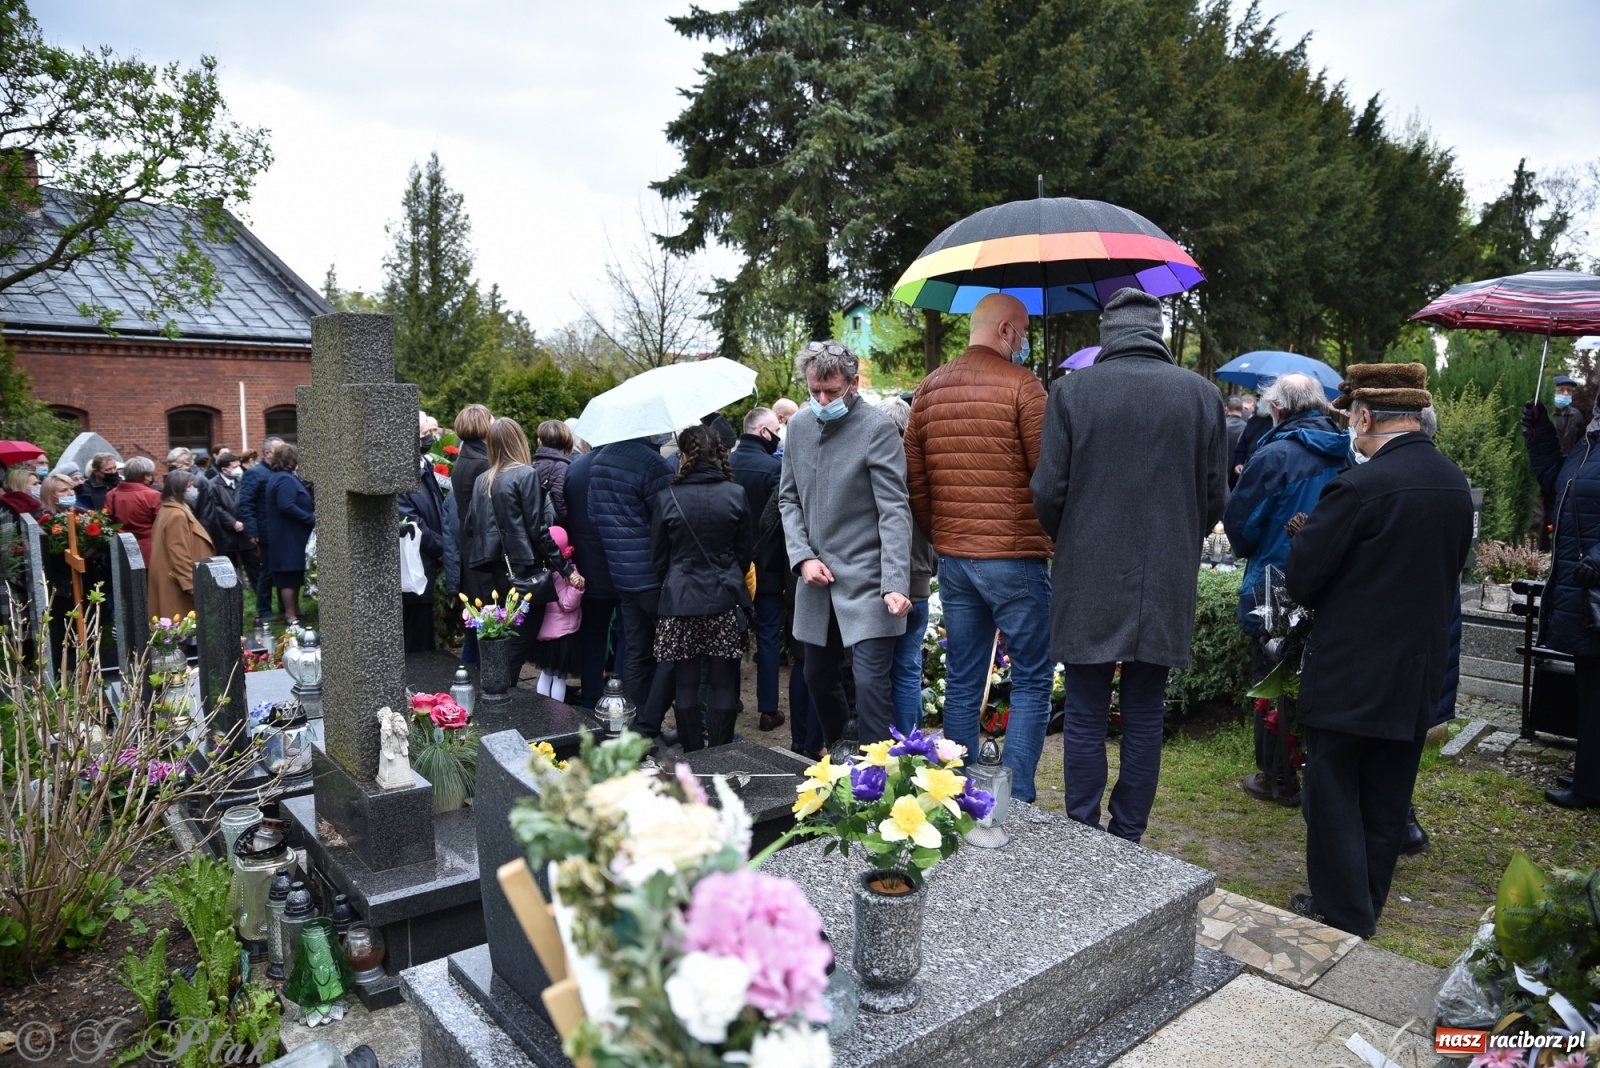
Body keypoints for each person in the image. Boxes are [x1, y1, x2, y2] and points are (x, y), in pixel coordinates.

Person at [1031, 288, 1228, 843]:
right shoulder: (1202, 396)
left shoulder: (1071, 393)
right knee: (1145, 711)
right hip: (1165, 572)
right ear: (1158, 331)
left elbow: (1047, 490)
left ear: (1106, 333)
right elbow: (1216, 497)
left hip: (1088, 569)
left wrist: (1070, 534)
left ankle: (1082, 830)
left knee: (1087, 709)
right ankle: (1128, 833)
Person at [1285, 363, 1472, 935]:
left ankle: (1344, 911)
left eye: (1353, 420)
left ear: (1364, 416)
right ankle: (1365, 897)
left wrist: (1306, 536)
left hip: (1351, 665)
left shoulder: (1358, 486)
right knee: (1388, 792)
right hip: (1417, 663)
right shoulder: (1452, 483)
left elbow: (1303, 578)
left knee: (1335, 785)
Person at [905, 292, 1054, 796]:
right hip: (1015, 557)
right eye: (1024, 331)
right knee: (1032, 677)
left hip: (955, 558)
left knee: (965, 681)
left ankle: (956, 792)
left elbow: (916, 483)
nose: (1025, 341)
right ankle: (1016, 797)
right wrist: (1051, 537)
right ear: (1007, 331)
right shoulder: (1024, 386)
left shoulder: (928, 390)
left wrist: (944, 535)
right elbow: (1048, 478)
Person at [1222, 373, 1349, 805]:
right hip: (1334, 582)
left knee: (1271, 678)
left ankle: (1277, 777)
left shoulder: (1274, 455)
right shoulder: (1347, 449)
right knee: (1321, 677)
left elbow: (1240, 526)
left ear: (1276, 409)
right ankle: (1320, 773)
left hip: (1276, 582)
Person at [779, 340, 912, 747]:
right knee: (815, 676)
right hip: (815, 580)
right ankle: (841, 757)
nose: (821, 400)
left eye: (831, 392)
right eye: (813, 391)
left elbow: (894, 510)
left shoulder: (877, 429)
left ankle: (877, 782)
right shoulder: (799, 427)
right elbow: (788, 499)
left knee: (871, 686)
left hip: (869, 579)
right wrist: (801, 558)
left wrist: (895, 582)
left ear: (853, 384)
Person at [652, 424, 754, 751]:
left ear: (683, 455)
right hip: (724, 598)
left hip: (680, 600)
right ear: (717, 453)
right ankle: (720, 754)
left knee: (685, 681)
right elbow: (744, 553)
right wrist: (726, 573)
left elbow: (658, 557)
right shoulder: (735, 494)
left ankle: (695, 755)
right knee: (724, 681)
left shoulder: (667, 497)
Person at [1523, 392, 1600, 810]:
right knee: (1589, 687)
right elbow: (1556, 481)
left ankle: (1590, 787)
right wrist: (1540, 436)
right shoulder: (1590, 447)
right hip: (1583, 590)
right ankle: (1590, 772)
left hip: (1595, 586)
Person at [473, 417, 583, 675]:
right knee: (518, 644)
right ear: (519, 441)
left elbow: (471, 527)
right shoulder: (525, 474)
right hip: (526, 572)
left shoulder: (483, 480)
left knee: (504, 639)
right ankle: (499, 698)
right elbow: (539, 532)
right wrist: (568, 571)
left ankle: (495, 692)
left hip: (497, 572)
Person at [590, 431, 676, 740]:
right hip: (653, 574)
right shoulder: (654, 464)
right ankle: (651, 722)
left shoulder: (600, 460)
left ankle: (634, 723)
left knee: (637, 649)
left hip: (621, 573)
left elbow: (594, 515)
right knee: (672, 649)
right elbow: (668, 519)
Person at [881, 397, 939, 736]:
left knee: (880, 669)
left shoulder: (880, 466)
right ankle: (912, 742)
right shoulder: (924, 468)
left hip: (889, 581)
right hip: (919, 580)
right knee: (908, 667)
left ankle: (889, 741)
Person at [730, 406, 785, 731]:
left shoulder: (726, 465)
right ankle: (767, 709)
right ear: (764, 431)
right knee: (766, 635)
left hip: (731, 568)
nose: (778, 434)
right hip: (766, 568)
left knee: (733, 633)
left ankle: (731, 698)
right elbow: (777, 524)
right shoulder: (772, 468)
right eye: (776, 428)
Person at [565, 443, 620, 707]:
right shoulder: (622, 466)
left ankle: (591, 696)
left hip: (587, 564)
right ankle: (621, 695)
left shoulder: (575, 468)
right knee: (627, 634)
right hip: (622, 563)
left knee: (593, 634)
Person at [399, 413, 450, 653]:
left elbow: (437, 508)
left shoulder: (425, 466)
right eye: (422, 434)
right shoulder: (401, 473)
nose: (428, 438)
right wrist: (441, 548)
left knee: (426, 633)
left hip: (431, 562)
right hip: (417, 567)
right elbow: (412, 522)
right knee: (417, 637)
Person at [450, 405, 493, 664]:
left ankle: (468, 675)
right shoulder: (482, 463)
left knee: (475, 622)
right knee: (483, 622)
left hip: (469, 546)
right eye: (491, 418)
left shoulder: (465, 458)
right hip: (481, 550)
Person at [147, 469, 215, 620]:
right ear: (179, 488)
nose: (194, 490)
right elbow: (178, 552)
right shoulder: (177, 514)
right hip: (176, 580)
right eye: (190, 486)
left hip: (171, 576)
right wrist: (189, 583)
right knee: (179, 626)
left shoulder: (171, 509)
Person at [263, 444, 316, 625]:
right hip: (287, 537)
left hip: (290, 536)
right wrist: (310, 518)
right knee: (288, 576)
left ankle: (295, 609)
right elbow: (286, 505)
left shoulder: (282, 477)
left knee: (294, 575)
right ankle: (290, 615)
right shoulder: (284, 479)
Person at [531, 525, 584, 703]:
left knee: (546, 675)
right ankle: (556, 716)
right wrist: (578, 588)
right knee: (560, 678)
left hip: (545, 632)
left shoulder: (539, 572)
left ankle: (542, 711)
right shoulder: (567, 573)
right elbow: (567, 604)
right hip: (563, 635)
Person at [238, 436, 284, 623]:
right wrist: (252, 531)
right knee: (268, 571)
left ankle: (284, 606)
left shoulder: (278, 471)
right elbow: (246, 504)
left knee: (283, 569)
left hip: (280, 529)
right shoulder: (255, 473)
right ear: (267, 453)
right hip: (265, 530)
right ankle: (263, 609)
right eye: (279, 452)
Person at [104, 456, 162, 562]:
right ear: (146, 476)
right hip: (149, 550)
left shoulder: (111, 494)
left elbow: (108, 522)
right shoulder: (154, 496)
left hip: (121, 548)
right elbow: (162, 525)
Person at [198, 450, 247, 569]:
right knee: (229, 566)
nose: (238, 469)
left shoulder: (242, 480)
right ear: (224, 470)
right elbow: (215, 506)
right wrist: (232, 522)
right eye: (234, 467)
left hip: (245, 531)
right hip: (225, 533)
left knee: (253, 565)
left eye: (238, 466)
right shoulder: (212, 485)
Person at [533, 419, 574, 524]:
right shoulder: (562, 467)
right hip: (556, 530)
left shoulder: (533, 465)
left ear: (540, 440)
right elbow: (561, 506)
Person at [1552, 375, 1587, 456]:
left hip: (1571, 462)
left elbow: (1582, 440)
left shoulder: (1576, 414)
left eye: (1569, 390)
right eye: (1561, 390)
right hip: (1549, 463)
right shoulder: (1543, 414)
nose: (1566, 393)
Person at [1224, 396, 1248, 487]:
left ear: (1226, 409)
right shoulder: (1247, 428)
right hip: (1238, 474)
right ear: (1243, 410)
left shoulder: (1220, 426)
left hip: (1219, 472)